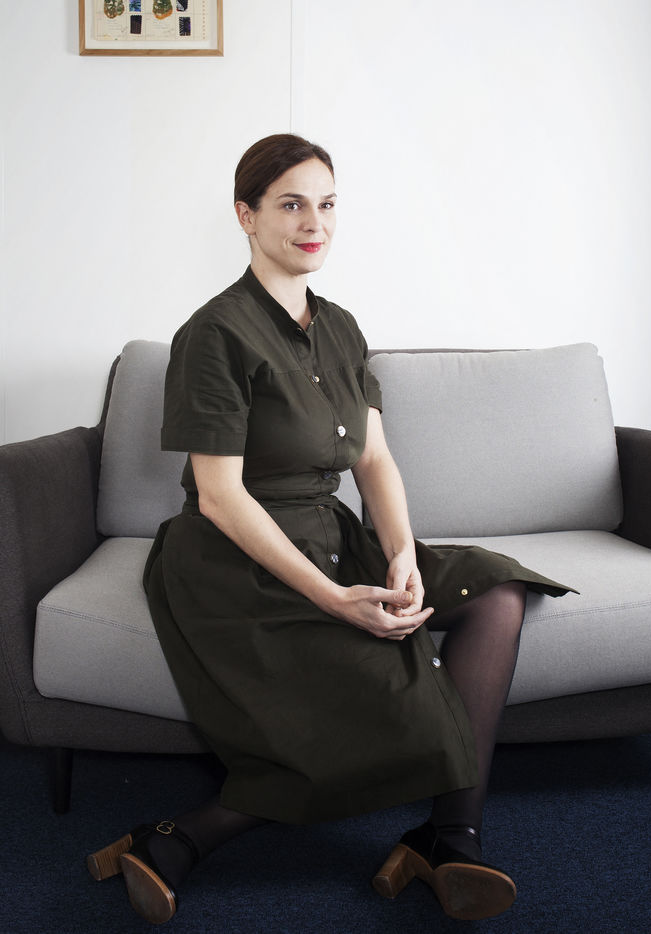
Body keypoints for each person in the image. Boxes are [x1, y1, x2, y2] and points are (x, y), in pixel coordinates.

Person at [86, 133, 573, 923]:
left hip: (332, 534)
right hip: (233, 560)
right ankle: (181, 837)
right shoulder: (212, 333)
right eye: (291, 204)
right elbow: (220, 497)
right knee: (387, 702)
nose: (314, 223)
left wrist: (402, 554)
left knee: (495, 593)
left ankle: (451, 836)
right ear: (246, 216)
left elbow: (374, 459)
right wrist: (333, 598)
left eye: (327, 203)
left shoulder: (341, 327)